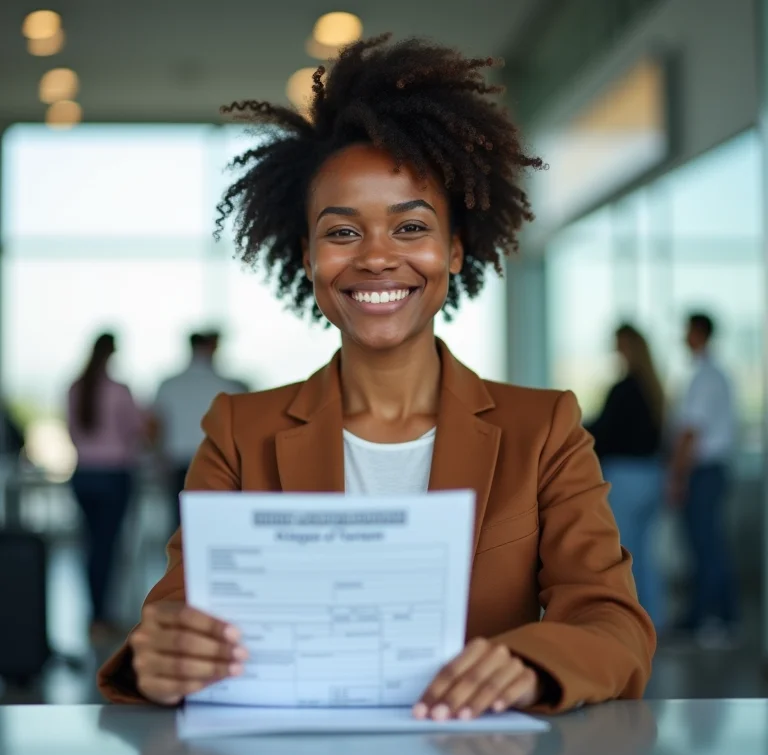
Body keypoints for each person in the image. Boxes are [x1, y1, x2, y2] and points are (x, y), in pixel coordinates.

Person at [98, 35, 655, 716]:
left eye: (411, 227)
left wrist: (531, 665)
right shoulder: (240, 433)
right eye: (342, 233)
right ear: (308, 256)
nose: (376, 258)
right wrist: (162, 657)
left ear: (455, 249)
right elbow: (174, 615)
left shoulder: (542, 430)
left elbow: (612, 620)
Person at [67, 332, 146, 642]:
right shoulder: (118, 390)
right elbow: (136, 430)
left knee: (92, 547)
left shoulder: (75, 388)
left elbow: (70, 431)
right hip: (113, 474)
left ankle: (96, 614)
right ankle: (103, 617)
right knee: (107, 548)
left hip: (83, 474)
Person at [586, 324, 665, 629]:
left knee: (623, 555)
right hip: (652, 475)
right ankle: (653, 621)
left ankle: (628, 625)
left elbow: (605, 432)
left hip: (627, 478)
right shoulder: (653, 388)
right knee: (645, 554)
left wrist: (571, 427)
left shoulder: (623, 389)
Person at [668, 312, 737, 646]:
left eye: (686, 330)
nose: (683, 337)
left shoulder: (703, 377)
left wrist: (677, 476)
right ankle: (718, 616)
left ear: (698, 333)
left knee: (705, 546)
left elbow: (691, 432)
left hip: (703, 471)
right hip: (712, 470)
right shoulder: (716, 374)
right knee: (710, 544)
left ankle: (711, 619)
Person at [152, 331, 247, 530]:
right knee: (214, 526)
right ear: (212, 348)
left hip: (178, 463)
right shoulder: (230, 386)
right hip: (216, 463)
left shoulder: (168, 385)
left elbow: (156, 428)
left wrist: (159, 460)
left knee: (180, 527)